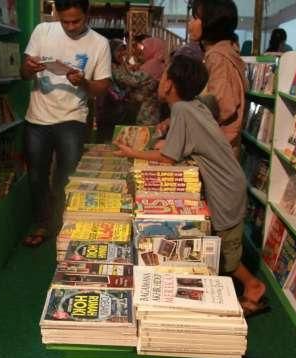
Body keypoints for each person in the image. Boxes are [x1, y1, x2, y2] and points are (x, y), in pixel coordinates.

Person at [114, 55, 268, 317]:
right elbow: (187, 136)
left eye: (163, 76)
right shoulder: (193, 104)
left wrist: (132, 153)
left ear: (170, 85)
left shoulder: (182, 109)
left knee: (226, 251)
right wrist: (168, 130)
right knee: (222, 242)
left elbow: (167, 158)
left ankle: (253, 287)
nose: (159, 80)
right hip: (230, 180)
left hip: (225, 188)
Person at [20, 0, 112, 246]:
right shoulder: (42, 31)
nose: (70, 27)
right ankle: (42, 223)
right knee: (36, 175)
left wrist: (82, 82)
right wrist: (29, 67)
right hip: (37, 117)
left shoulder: (99, 44)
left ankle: (63, 223)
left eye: (76, 21)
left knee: (67, 175)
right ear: (56, 15)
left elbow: (101, 88)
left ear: (87, 14)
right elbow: (24, 72)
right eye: (65, 21)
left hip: (73, 117)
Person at [190, 0, 248, 159]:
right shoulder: (222, 51)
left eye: (195, 18)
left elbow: (222, 105)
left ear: (212, 22)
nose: (190, 24)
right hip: (221, 145)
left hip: (218, 148)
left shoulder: (217, 57)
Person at [111, 39, 161, 126]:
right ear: (111, 52)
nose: (123, 53)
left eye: (124, 49)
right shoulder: (112, 67)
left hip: (140, 109)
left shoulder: (152, 64)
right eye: (119, 50)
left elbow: (132, 80)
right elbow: (130, 81)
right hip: (121, 107)